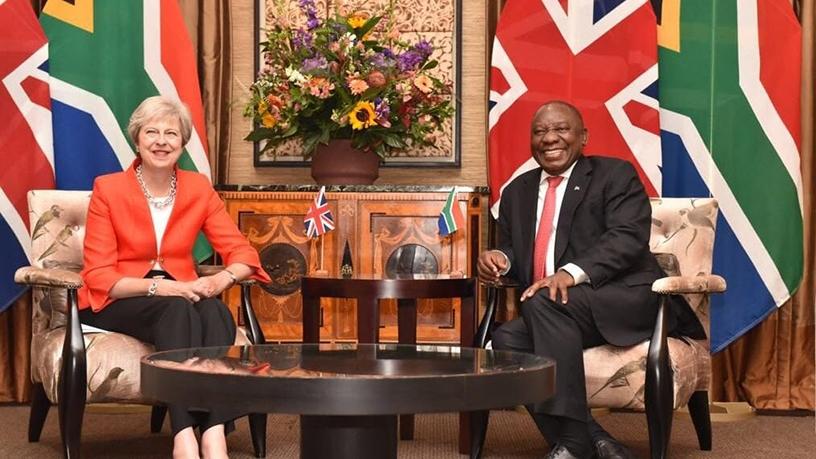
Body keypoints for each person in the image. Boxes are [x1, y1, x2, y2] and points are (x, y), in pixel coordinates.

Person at [478, 101, 704, 459]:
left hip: (621, 300)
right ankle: (592, 439)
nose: (549, 138)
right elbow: (517, 249)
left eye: (561, 129)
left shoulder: (614, 175)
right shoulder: (517, 191)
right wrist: (501, 258)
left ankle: (573, 444)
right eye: (539, 132)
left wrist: (568, 274)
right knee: (506, 340)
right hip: (558, 312)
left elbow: (626, 239)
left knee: (543, 301)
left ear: (583, 137)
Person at [78, 95, 272, 459]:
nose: (161, 141)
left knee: (216, 311)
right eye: (152, 132)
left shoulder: (197, 188)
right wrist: (165, 286)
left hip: (179, 295)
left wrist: (221, 280)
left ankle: (213, 430)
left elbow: (244, 254)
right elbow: (101, 276)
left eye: (172, 133)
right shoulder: (108, 189)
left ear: (182, 143)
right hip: (116, 299)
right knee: (176, 310)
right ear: (137, 139)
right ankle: (183, 434)